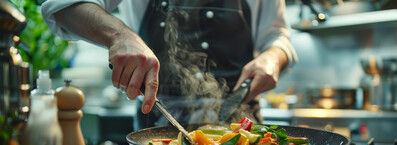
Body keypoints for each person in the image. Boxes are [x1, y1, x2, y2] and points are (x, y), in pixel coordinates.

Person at [41, 0, 297, 131]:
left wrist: (272, 57)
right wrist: (119, 36)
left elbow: (277, 37)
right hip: (160, 131)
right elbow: (62, 7)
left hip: (242, 127)